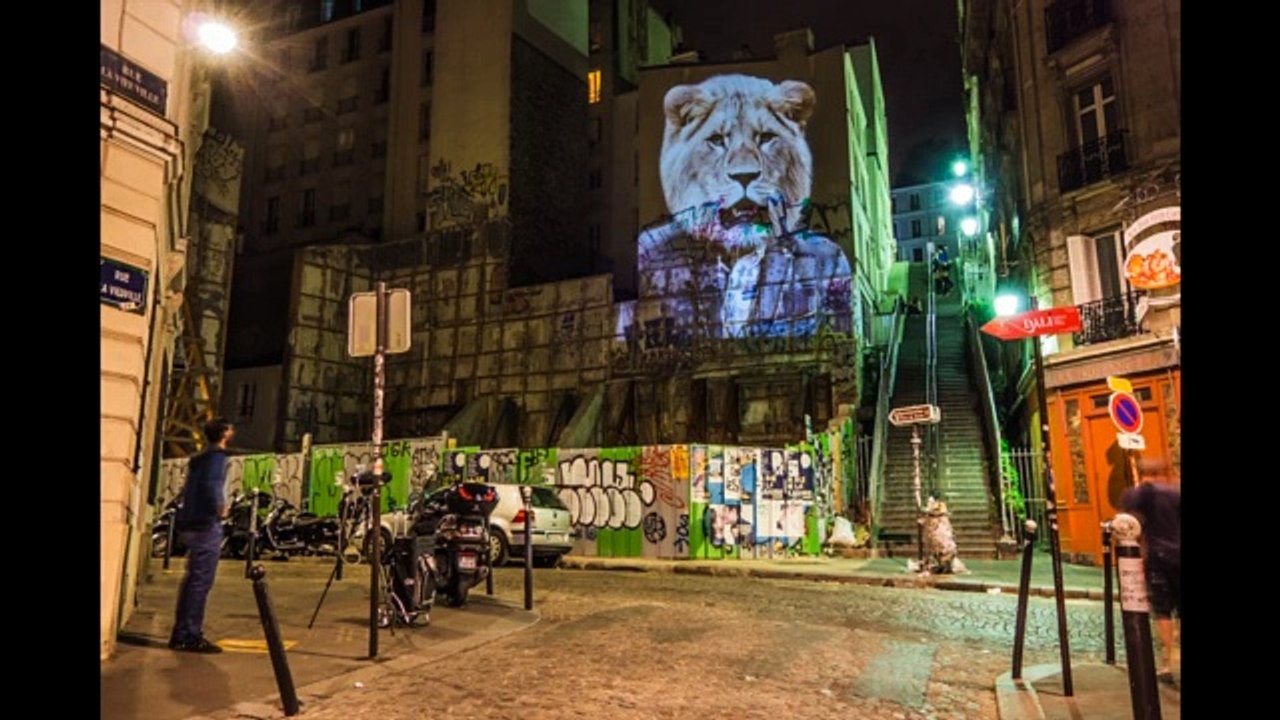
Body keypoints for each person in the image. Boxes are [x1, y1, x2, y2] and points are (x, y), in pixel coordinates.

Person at [168, 418, 235, 653]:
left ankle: (182, 632)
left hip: (192, 522)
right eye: (230, 428)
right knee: (201, 582)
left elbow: (190, 490)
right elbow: (213, 485)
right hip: (207, 524)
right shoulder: (217, 458)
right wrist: (221, 507)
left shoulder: (199, 460)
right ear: (225, 433)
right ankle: (189, 634)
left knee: (192, 581)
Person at [1119, 458, 1180, 683]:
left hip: (1158, 557)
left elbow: (1127, 526)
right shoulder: (1175, 494)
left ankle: (1166, 662)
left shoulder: (1137, 495)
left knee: (1163, 610)